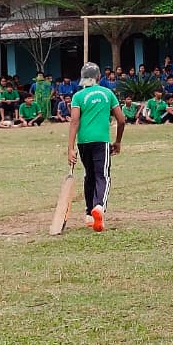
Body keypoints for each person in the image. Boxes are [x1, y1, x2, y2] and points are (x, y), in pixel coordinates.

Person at [67, 63, 127, 233]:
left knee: (90, 175)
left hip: (83, 142)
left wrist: (70, 148)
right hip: (101, 141)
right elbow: (121, 120)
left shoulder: (78, 96)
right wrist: (118, 141)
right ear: (99, 77)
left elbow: (74, 121)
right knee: (103, 176)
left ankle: (88, 214)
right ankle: (99, 207)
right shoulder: (108, 93)